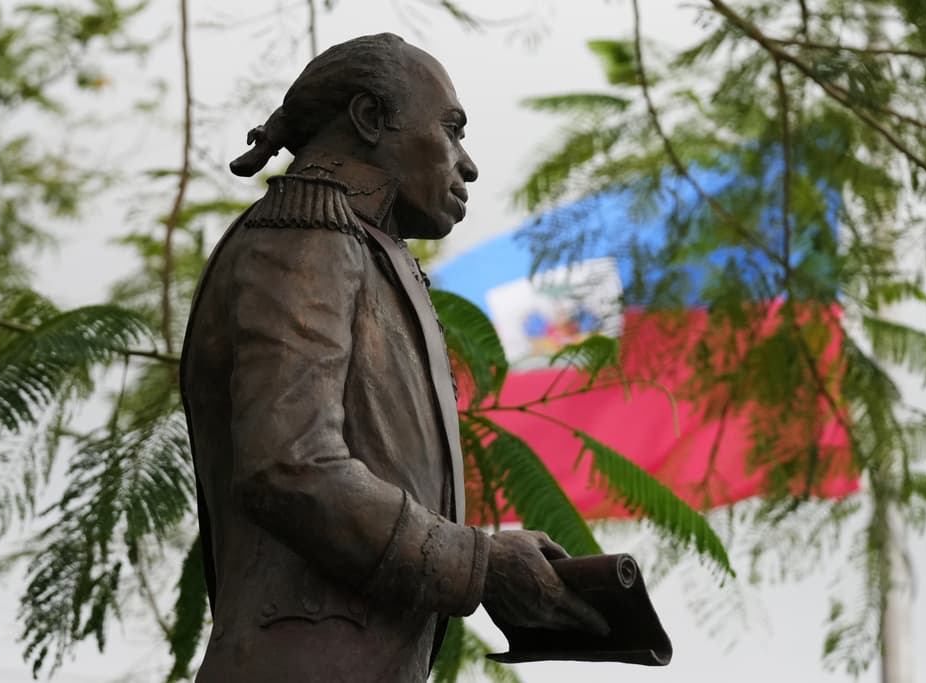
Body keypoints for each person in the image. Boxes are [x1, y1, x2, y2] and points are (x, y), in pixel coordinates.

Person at [180, 33, 607, 682]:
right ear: (371, 119)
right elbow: (289, 466)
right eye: (451, 130)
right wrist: (481, 565)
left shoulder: (360, 250)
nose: (466, 165)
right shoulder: (307, 238)